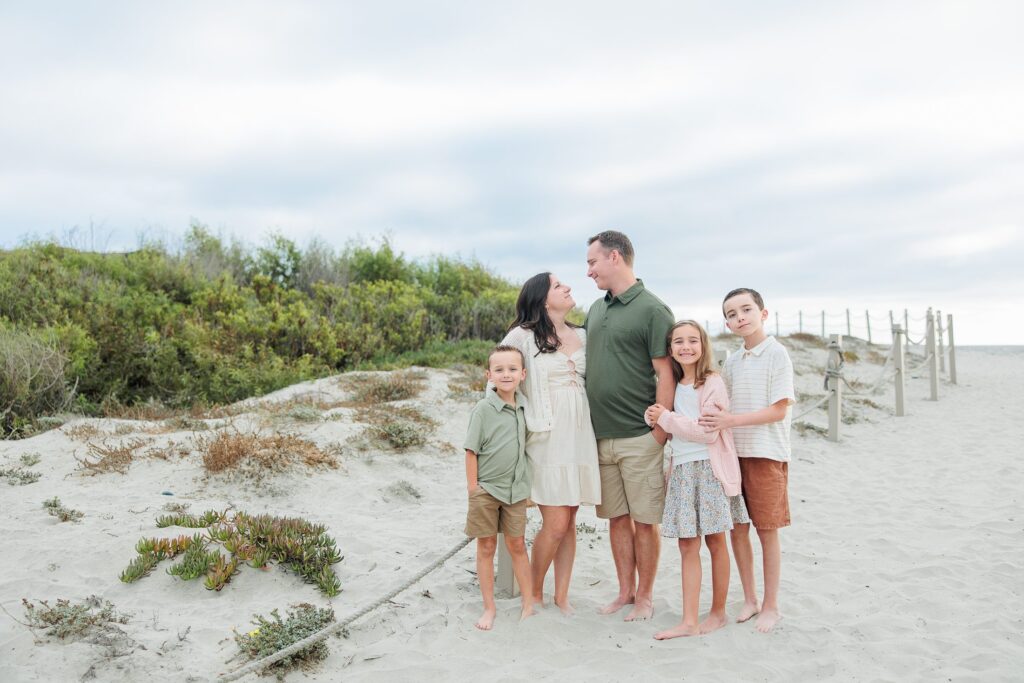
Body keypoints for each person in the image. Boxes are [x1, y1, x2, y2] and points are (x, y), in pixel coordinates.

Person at [583, 230, 675, 621]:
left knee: (644, 522)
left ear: (615, 257)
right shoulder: (595, 309)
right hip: (600, 438)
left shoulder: (653, 309)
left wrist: (660, 432)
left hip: (640, 437)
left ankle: (646, 597)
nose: (589, 271)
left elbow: (665, 372)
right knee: (616, 520)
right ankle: (625, 591)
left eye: (592, 262)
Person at [498, 272, 601, 615]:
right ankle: (535, 592)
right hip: (546, 437)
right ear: (542, 299)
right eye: (558, 285)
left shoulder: (583, 334)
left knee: (569, 521)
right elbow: (498, 382)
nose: (568, 287)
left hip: (580, 436)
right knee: (555, 523)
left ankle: (561, 595)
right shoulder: (522, 336)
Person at [699, 288, 795, 633]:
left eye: (746, 310)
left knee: (767, 532)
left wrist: (731, 421)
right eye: (732, 314)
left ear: (763, 313)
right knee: (738, 531)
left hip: (766, 455)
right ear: (727, 323)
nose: (740, 317)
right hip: (733, 457)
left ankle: (771, 605)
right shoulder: (733, 361)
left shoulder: (777, 354)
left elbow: (779, 409)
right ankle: (751, 599)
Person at [644, 321, 747, 639]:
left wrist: (666, 418)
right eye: (678, 341)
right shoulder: (672, 384)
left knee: (716, 541)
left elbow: (707, 432)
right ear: (670, 348)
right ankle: (689, 621)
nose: (685, 347)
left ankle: (718, 613)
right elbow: (664, 418)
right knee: (687, 544)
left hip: (710, 470)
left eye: (692, 340)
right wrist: (655, 416)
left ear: (703, 345)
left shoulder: (712, 382)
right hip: (681, 471)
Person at [464, 345, 535, 630]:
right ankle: (489, 608)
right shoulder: (483, 409)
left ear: (523, 374)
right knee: (486, 546)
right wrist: (474, 490)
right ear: (489, 375)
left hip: (515, 491)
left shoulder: (524, 407)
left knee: (517, 544)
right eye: (499, 370)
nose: (506, 374)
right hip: (487, 491)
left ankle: (528, 603)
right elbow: (471, 451)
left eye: (512, 369)